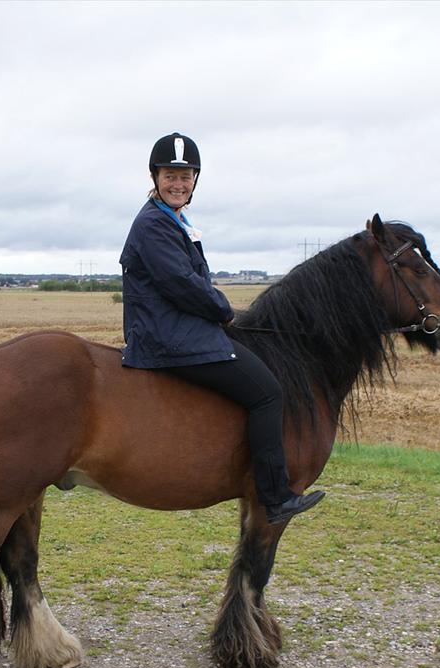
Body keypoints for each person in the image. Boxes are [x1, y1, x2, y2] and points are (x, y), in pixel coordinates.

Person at [118, 131, 325, 526]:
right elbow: (182, 283)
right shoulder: (154, 225)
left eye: (186, 177)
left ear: (195, 180)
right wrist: (224, 311)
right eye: (170, 176)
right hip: (170, 338)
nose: (178, 184)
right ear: (154, 177)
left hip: (179, 330)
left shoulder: (173, 220)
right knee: (267, 393)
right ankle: (275, 496)